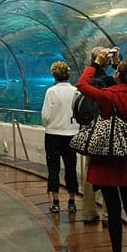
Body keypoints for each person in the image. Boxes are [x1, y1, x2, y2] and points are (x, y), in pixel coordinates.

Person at [77, 47, 127, 252]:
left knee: (113, 208)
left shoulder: (110, 96)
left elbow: (82, 85)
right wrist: (118, 65)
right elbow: (124, 85)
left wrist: (97, 64)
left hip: (108, 156)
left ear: (118, 74)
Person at [81, 46, 114, 226]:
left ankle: (88, 212)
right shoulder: (109, 81)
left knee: (90, 173)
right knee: (109, 173)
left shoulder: (88, 81)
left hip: (89, 132)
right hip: (108, 134)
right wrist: (117, 65)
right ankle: (109, 215)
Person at [41, 61, 80, 213]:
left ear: (54, 75)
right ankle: (72, 201)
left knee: (53, 168)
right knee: (71, 168)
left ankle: (56, 202)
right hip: (71, 134)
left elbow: (45, 115)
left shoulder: (51, 91)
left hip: (53, 135)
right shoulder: (76, 91)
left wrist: (49, 124)